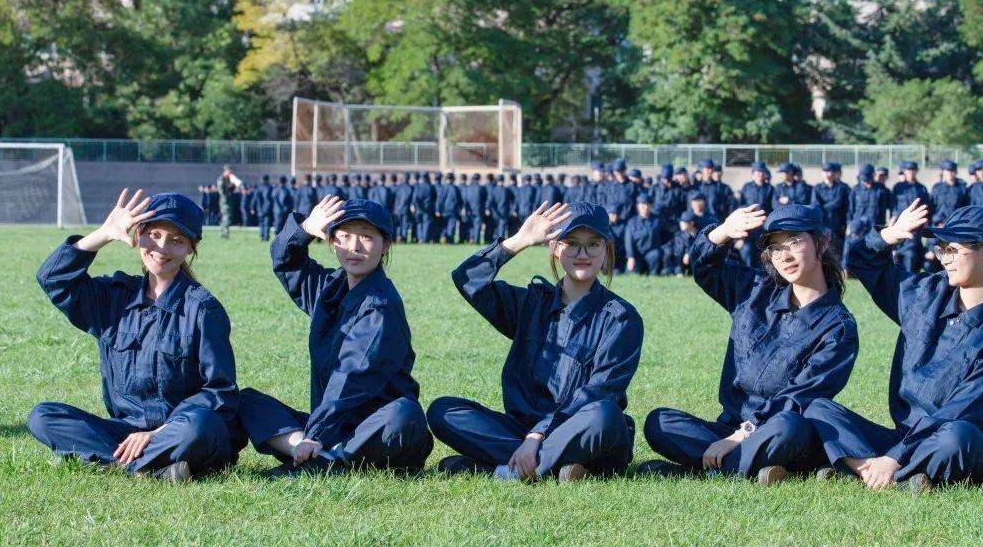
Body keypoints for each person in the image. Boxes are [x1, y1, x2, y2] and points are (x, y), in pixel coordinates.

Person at [807, 202, 983, 492]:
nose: (944, 259)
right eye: (941, 249)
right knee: (818, 409)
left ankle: (874, 468)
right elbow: (861, 261)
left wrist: (894, 456)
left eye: (952, 250)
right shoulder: (925, 294)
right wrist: (892, 234)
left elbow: (963, 410)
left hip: (960, 440)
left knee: (956, 435)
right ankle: (885, 473)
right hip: (906, 437)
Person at [29, 190, 243, 481]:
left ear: (191, 248)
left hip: (179, 433)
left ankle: (114, 462)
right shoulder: (114, 298)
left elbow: (219, 392)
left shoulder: (203, 309)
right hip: (126, 432)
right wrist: (103, 234)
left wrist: (157, 433)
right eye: (153, 234)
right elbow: (53, 279)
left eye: (177, 240)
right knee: (43, 416)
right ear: (137, 234)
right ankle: (148, 470)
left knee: (200, 424)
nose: (162, 248)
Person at [640, 204, 857, 486]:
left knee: (788, 428)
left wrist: (743, 434)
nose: (785, 255)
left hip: (780, 428)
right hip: (727, 427)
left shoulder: (839, 327)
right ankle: (747, 467)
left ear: (822, 241)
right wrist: (723, 232)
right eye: (776, 247)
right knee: (659, 422)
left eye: (794, 241)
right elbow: (705, 268)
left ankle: (703, 470)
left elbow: (800, 398)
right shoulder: (754, 291)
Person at [429, 202, 643, 481]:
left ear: (606, 251)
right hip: (520, 431)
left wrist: (538, 433)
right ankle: (554, 469)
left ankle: (499, 469)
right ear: (554, 247)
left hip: (579, 430)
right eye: (571, 243)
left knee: (605, 415)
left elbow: (600, 392)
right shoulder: (531, 303)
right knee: (443, 410)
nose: (582, 254)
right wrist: (519, 241)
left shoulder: (621, 318)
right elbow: (468, 280)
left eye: (593, 244)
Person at [239, 196, 433, 476]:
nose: (353, 247)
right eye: (344, 236)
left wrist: (315, 433)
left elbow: (350, 376)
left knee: (404, 414)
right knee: (246, 401)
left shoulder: (381, 306)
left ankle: (325, 459)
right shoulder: (329, 287)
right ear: (331, 241)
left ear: (386, 244)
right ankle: (304, 451)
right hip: (332, 426)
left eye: (366, 237)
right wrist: (304, 229)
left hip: (375, 427)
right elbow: (286, 261)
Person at [811, 162, 850, 249]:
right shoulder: (817, 188)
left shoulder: (842, 188)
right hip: (822, 224)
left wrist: (848, 224)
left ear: (835, 173)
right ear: (822, 173)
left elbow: (843, 205)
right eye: (825, 171)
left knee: (838, 251)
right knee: (822, 251)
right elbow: (815, 206)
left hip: (838, 225)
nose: (827, 174)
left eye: (830, 171)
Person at [625, 194, 665, 275]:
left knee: (656, 255)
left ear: (650, 206)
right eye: (642, 205)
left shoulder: (657, 220)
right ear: (638, 207)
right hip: (637, 254)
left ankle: (653, 273)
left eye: (647, 204)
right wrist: (630, 257)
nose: (645, 207)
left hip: (651, 253)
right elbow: (628, 241)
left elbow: (664, 236)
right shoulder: (632, 222)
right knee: (632, 274)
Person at [254, 174, 274, 242]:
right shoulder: (270, 188)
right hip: (268, 209)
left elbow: (256, 199)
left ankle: (262, 236)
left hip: (260, 209)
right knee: (267, 223)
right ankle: (266, 237)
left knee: (261, 223)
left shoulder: (259, 188)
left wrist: (252, 207)